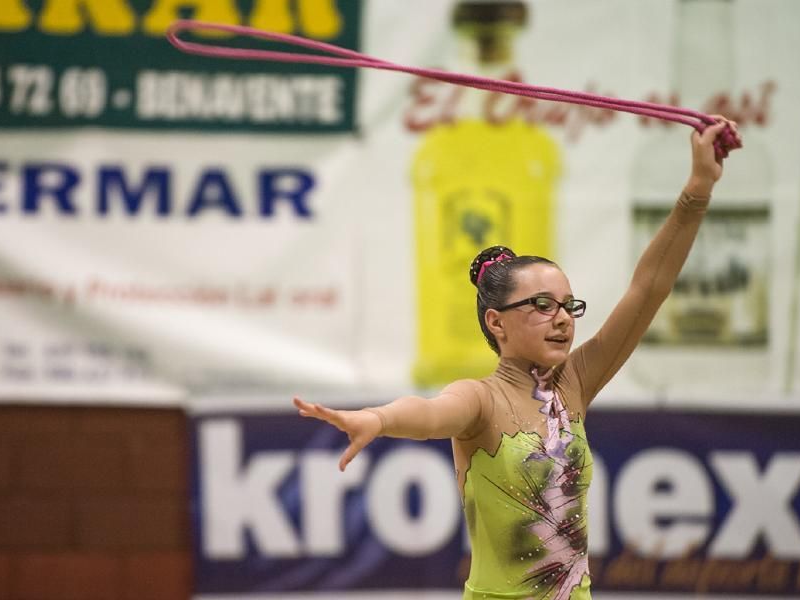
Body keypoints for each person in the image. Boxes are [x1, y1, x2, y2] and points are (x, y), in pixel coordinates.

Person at [294, 116, 738, 600]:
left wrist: (697, 188)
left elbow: (649, 287)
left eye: (569, 306)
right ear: (496, 322)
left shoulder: (575, 384)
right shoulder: (479, 400)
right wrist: (378, 419)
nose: (563, 319)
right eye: (542, 306)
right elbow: (428, 415)